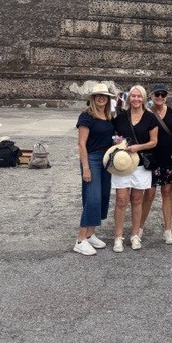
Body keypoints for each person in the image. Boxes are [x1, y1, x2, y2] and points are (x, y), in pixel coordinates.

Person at [112, 85, 158, 252]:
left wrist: (138, 147)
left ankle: (134, 235)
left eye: (139, 96)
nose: (136, 99)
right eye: (133, 96)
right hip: (122, 164)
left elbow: (154, 142)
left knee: (137, 200)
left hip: (140, 164)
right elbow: (115, 137)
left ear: (144, 98)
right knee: (121, 200)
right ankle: (118, 236)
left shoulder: (150, 118)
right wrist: (119, 143)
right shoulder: (120, 117)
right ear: (129, 98)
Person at [74, 83, 116, 256]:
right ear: (92, 98)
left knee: (103, 196)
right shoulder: (86, 116)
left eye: (104, 96)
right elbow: (81, 143)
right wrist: (86, 167)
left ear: (107, 99)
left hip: (106, 159)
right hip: (92, 159)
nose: (101, 98)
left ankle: (91, 234)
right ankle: (80, 239)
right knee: (92, 198)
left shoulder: (108, 116)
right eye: (98, 95)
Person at [138, 83, 172, 244]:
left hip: (168, 158)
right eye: (157, 94)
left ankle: (168, 230)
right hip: (152, 159)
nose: (160, 97)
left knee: (167, 193)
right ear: (151, 96)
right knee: (149, 194)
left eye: (163, 95)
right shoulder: (147, 113)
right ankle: (139, 228)